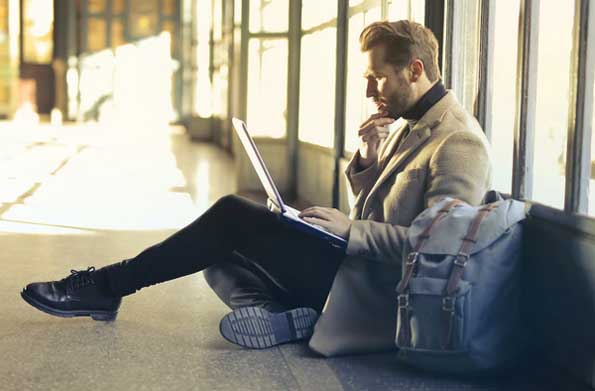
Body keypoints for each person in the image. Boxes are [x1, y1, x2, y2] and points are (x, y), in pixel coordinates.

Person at [21, 20, 492, 354]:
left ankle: (107, 285)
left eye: (378, 78)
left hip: (378, 294)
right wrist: (368, 162)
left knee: (231, 215)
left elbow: (442, 254)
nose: (371, 92)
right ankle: (281, 316)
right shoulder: (411, 124)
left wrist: (350, 231)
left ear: (414, 69)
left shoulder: (458, 142)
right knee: (216, 251)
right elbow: (387, 213)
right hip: (353, 267)